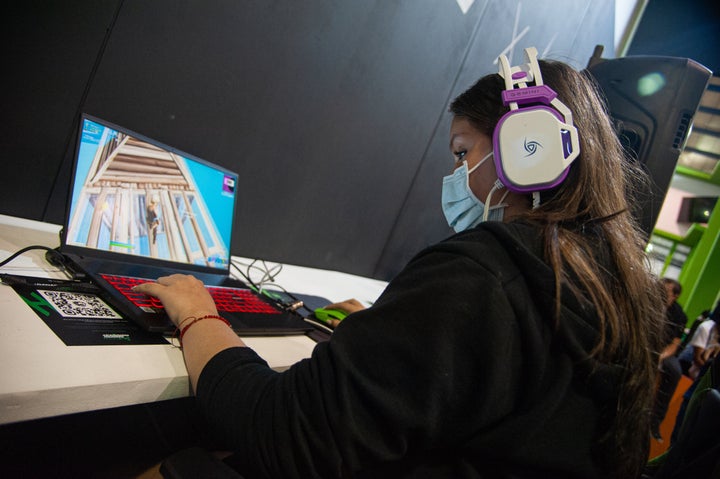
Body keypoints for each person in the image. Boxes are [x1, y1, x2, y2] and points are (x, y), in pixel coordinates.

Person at [134, 48, 665, 478]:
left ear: (529, 149)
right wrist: (396, 331)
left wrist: (199, 315)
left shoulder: (483, 275)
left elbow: (279, 431)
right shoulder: (614, 290)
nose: (457, 175)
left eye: (462, 153)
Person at [649, 278, 689, 443]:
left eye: (665, 292)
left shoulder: (680, 316)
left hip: (664, 352)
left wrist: (661, 356)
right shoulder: (649, 302)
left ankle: (655, 422)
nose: (660, 294)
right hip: (645, 344)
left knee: (675, 371)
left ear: (675, 296)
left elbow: (675, 344)